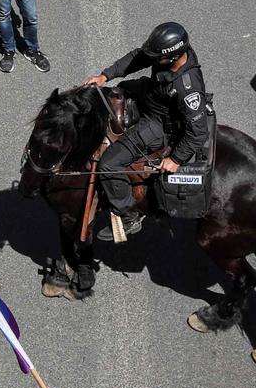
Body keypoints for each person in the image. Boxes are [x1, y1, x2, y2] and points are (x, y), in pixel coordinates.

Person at [85, 21, 213, 238]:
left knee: (109, 164)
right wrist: (105, 76)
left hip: (159, 123)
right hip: (153, 93)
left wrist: (177, 159)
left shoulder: (187, 88)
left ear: (172, 57)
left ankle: (127, 216)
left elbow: (199, 131)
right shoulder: (168, 55)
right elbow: (138, 57)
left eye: (157, 58)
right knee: (115, 92)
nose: (153, 60)